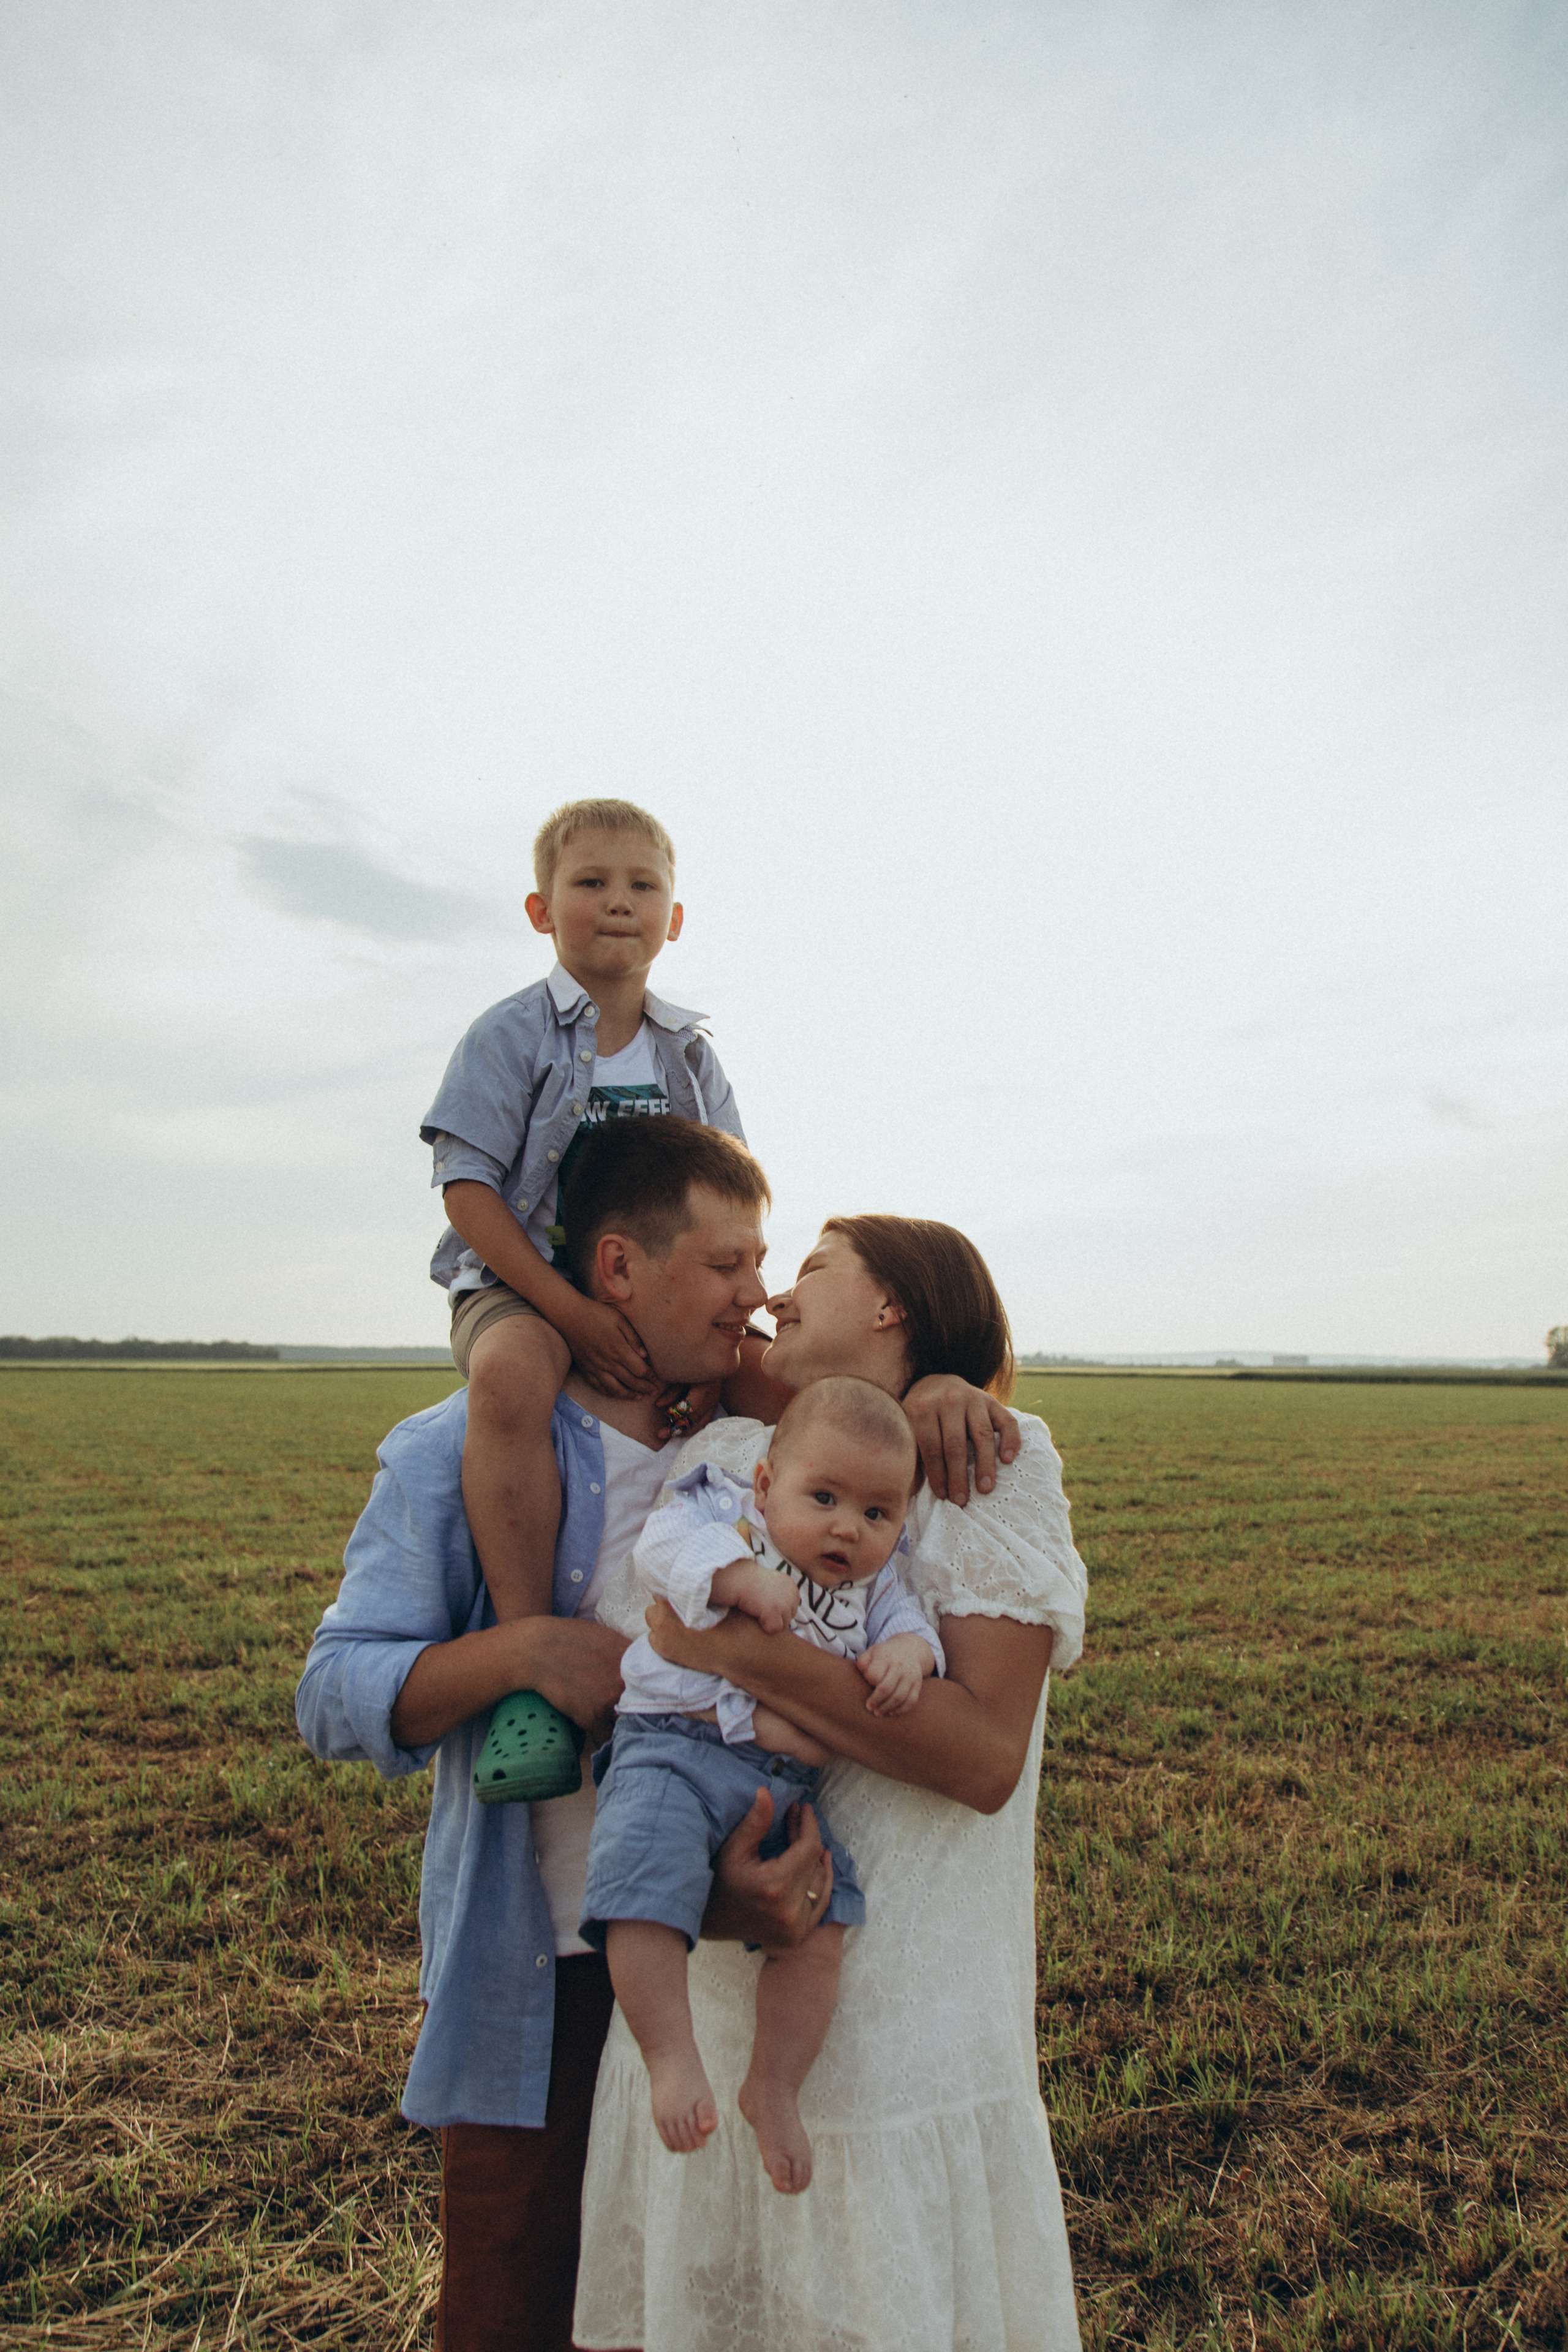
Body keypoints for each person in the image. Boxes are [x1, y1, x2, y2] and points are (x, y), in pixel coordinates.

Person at [295, 1123, 1010, 2352]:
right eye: (727, 1268)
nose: (760, 1295)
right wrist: (517, 1655)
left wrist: (946, 1381)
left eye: (770, 1265)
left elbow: (877, 1399)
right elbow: (331, 1692)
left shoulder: (736, 1446)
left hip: (711, 1986)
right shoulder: (452, 1450)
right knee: (515, 2311)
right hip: (538, 1974)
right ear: (617, 1271)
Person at [575, 1214, 1090, 2352]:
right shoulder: (727, 1458)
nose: (775, 1297)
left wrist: (734, 1649)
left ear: (895, 1306)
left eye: (808, 1269)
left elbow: (981, 1758)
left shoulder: (986, 1462)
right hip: (702, 2032)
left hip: (902, 2041)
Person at [420, 796, 745, 1793]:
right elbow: (468, 1189)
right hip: (521, 1290)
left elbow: (731, 1190)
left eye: (643, 885)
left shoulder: (689, 1054)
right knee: (517, 1372)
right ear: (540, 909)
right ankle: (530, 1658)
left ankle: (735, 1665)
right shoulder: (511, 1034)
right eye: (591, 883)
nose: (618, 903)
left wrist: (716, 1346)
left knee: (762, 1376)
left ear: (675, 918)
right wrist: (568, 1315)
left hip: (653, 1298)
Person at [581, 1376, 939, 2194]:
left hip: (781, 1785)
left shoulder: (879, 1586)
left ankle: (772, 2084)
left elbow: (911, 1627)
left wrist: (909, 1657)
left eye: (877, 1514)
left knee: (822, 1925)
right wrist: (736, 1579)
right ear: (770, 1484)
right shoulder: (725, 1515)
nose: (848, 1527)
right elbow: (660, 1548)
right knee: (642, 1885)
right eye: (824, 1497)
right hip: (675, 1746)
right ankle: (669, 2054)